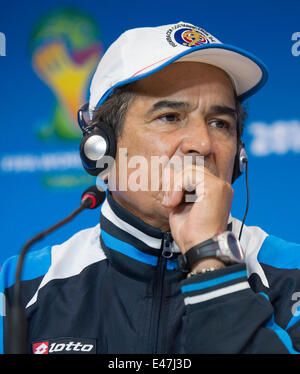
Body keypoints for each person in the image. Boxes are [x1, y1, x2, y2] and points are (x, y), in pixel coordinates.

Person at [1, 21, 300, 354]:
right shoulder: (17, 285)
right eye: (170, 117)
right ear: (102, 147)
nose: (202, 144)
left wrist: (210, 258)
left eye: (220, 124)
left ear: (239, 153)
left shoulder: (292, 273)